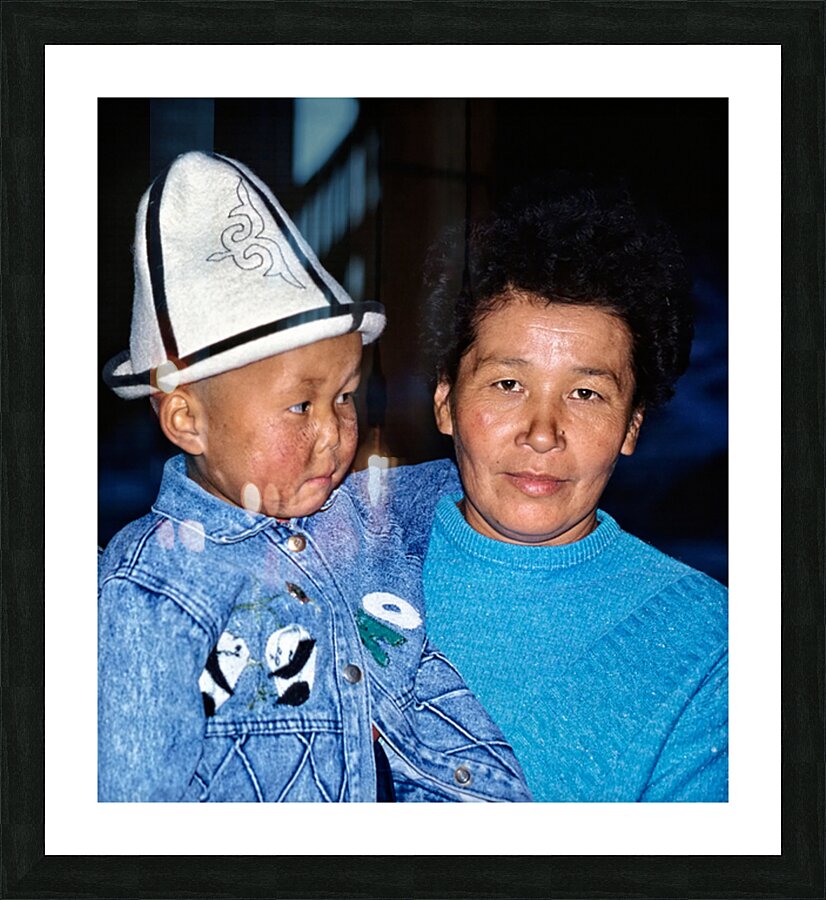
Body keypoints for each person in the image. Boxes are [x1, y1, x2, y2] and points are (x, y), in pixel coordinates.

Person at [97, 150, 531, 803]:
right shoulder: (150, 594)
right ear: (188, 420)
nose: (333, 432)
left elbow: (483, 481)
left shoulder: (362, 508)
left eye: (346, 397)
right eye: (301, 405)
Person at [396, 180, 728, 801]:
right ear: (445, 400)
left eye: (585, 394)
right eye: (506, 385)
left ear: (631, 425)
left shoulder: (709, 646)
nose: (543, 434)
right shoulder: (341, 545)